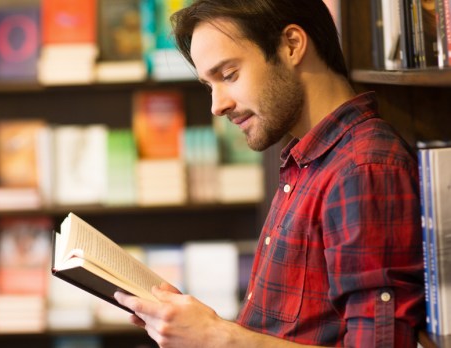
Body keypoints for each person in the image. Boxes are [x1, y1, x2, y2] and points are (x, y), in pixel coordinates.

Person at [114, 0, 425, 347]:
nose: (217, 105)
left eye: (229, 75)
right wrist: (193, 324)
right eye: (209, 85)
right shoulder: (307, 161)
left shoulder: (364, 169)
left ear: (291, 45)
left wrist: (220, 337)